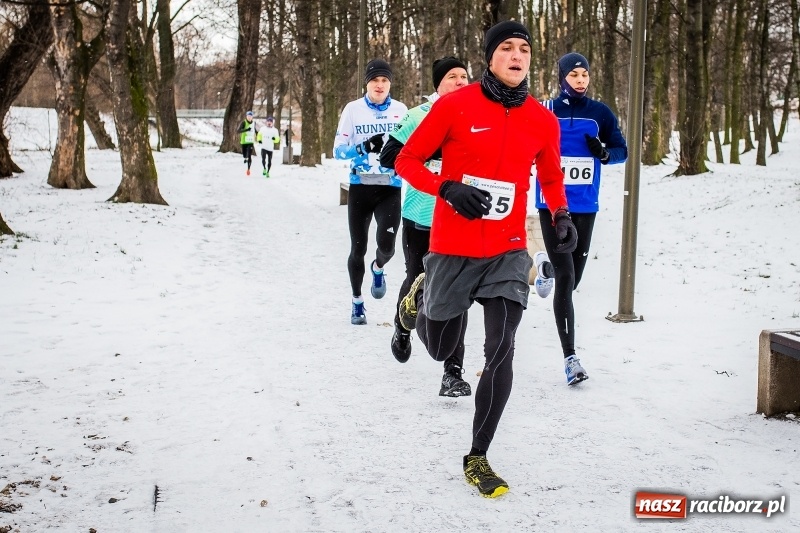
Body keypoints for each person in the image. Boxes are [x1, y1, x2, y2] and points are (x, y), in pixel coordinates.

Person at [394, 21, 577, 498]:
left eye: (525, 49)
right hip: (453, 246)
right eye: (507, 48)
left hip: (507, 249)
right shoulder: (455, 106)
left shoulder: (542, 118)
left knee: (501, 348)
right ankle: (416, 300)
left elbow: (552, 177)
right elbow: (406, 161)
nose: (518, 55)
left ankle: (478, 456)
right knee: (438, 347)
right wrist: (447, 188)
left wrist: (560, 215)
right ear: (490, 57)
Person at [532, 52, 628, 386]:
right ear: (561, 78)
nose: (581, 80)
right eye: (574, 75)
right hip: (550, 203)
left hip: (585, 205)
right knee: (566, 275)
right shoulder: (545, 110)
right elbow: (522, 141)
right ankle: (570, 358)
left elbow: (621, 151)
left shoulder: (600, 113)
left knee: (573, 281)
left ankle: (544, 264)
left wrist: (603, 152)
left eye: (585, 75)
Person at [379, 57, 471, 398]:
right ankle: (403, 325)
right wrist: (430, 155)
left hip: (460, 218)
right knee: (418, 278)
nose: (461, 81)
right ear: (438, 84)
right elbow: (389, 156)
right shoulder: (418, 115)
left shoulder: (475, 118)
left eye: (464, 76)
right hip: (421, 214)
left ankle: (453, 372)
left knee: (458, 291)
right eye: (452, 76)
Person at [333, 59, 408, 325]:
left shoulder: (401, 110)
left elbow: (412, 146)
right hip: (360, 187)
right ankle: (357, 302)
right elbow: (338, 150)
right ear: (367, 83)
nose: (379, 85)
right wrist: (362, 148)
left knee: (387, 248)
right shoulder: (353, 110)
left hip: (390, 188)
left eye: (384, 80)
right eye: (375, 80)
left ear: (390, 84)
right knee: (357, 248)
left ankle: (378, 268)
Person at [238, 111, 258, 176]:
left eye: (250, 116)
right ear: (246, 116)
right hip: (244, 141)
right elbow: (238, 131)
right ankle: (245, 158)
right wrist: (246, 130)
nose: (249, 117)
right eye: (248, 116)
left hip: (250, 141)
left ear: (252, 117)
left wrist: (258, 136)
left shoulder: (253, 123)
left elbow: (255, 130)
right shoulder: (243, 122)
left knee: (249, 155)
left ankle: (248, 169)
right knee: (244, 155)